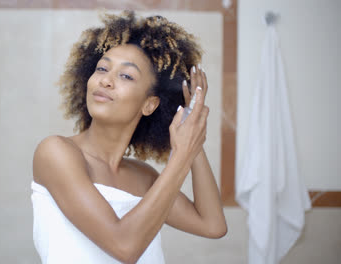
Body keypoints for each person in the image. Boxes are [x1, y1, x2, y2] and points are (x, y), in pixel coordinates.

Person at [31, 10, 227, 264]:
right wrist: (181, 155)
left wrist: (190, 124)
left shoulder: (143, 177)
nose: (106, 81)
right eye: (102, 68)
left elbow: (212, 225)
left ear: (149, 105)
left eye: (126, 75)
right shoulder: (56, 153)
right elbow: (124, 246)